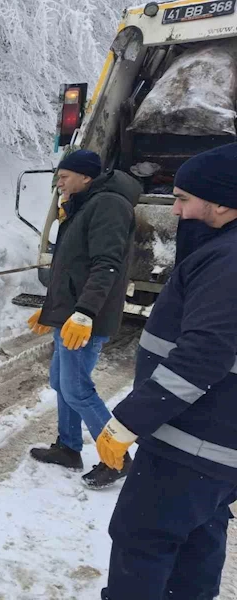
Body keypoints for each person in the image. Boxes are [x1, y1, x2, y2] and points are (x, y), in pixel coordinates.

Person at [97, 143, 237, 600]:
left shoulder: (227, 260)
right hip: (217, 447)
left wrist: (130, 420)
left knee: (143, 540)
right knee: (198, 540)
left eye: (182, 199)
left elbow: (203, 355)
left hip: (192, 444)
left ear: (221, 202)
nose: (174, 209)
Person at [27, 149, 140, 489]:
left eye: (64, 177)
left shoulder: (108, 205)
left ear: (86, 177)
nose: (58, 183)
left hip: (86, 318)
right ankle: (68, 448)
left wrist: (84, 312)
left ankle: (116, 457)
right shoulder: (83, 205)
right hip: (72, 314)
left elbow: (106, 264)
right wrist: (53, 309)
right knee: (62, 383)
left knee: (77, 388)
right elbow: (71, 266)